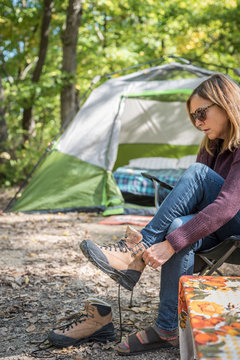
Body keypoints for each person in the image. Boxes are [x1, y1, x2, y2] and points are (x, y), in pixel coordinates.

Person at [50, 74, 240, 355]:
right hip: (214, 227)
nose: (198, 123)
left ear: (225, 102)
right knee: (177, 225)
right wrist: (172, 236)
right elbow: (196, 211)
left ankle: (134, 251)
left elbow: (226, 206)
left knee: (196, 177)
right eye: (193, 117)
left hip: (235, 227)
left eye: (202, 113)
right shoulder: (211, 145)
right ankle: (166, 329)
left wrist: (169, 243)